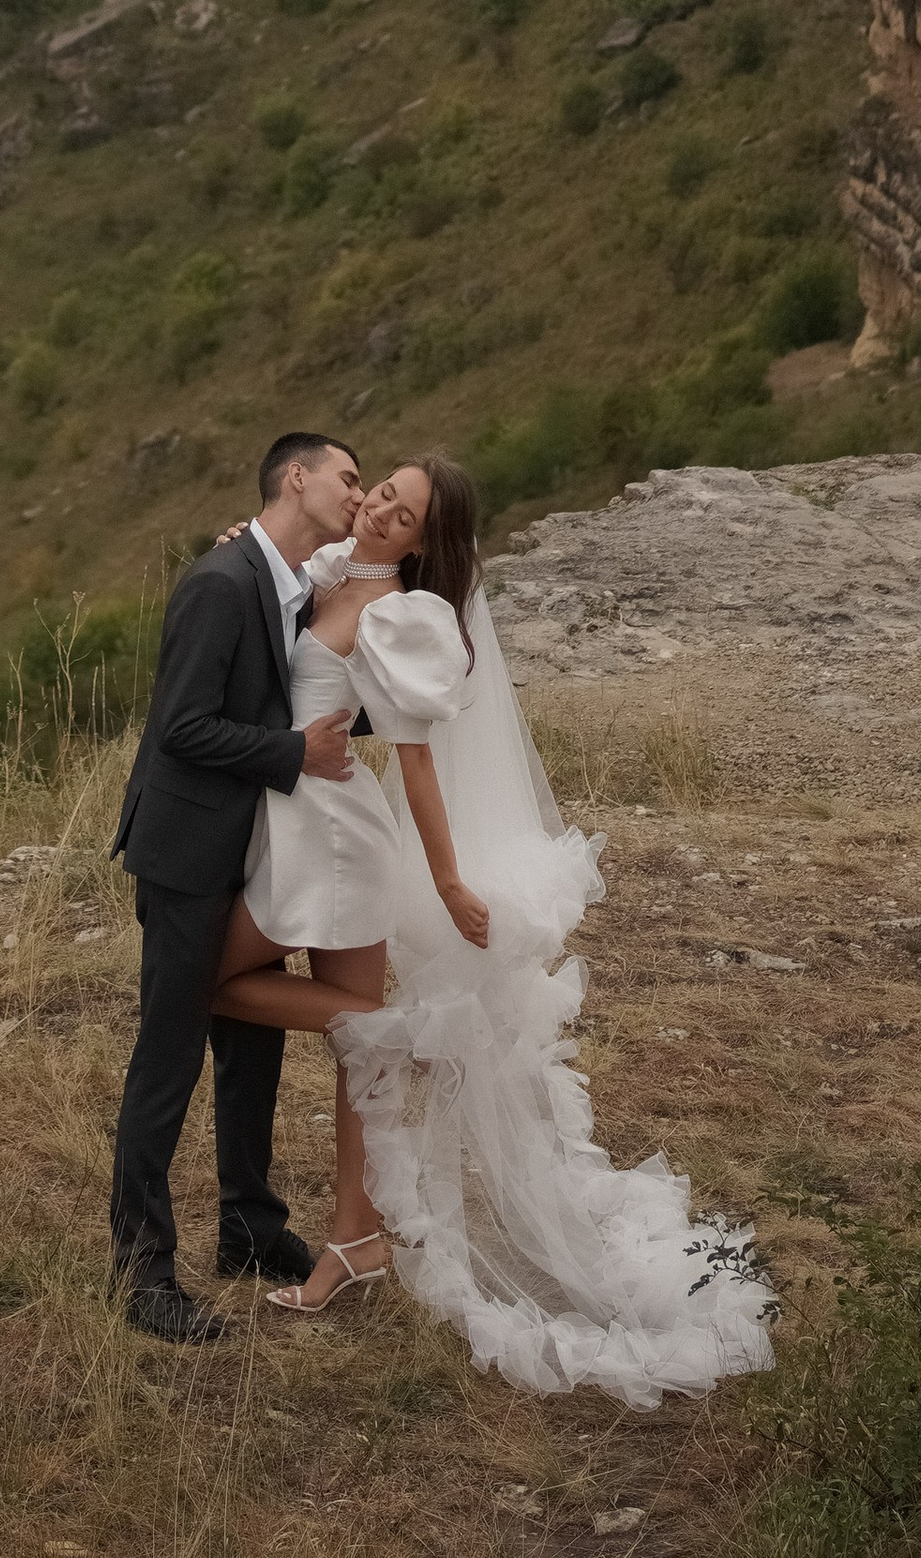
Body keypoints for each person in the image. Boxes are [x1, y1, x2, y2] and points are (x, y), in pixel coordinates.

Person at [209, 451, 776, 1401]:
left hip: (340, 843)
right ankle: (355, 1238)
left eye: (405, 510)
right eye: (382, 490)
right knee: (356, 1052)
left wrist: (450, 882)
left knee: (217, 983)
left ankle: (396, 1041)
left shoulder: (401, 615)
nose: (383, 507)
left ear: (428, 541)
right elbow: (273, 580)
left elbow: (420, 764)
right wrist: (243, 543)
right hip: (302, 827)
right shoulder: (334, 569)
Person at [107, 430, 362, 1342]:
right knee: (168, 1061)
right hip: (186, 859)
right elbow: (180, 729)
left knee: (251, 1050)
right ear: (296, 479)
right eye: (348, 477)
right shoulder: (220, 584)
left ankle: (250, 1229)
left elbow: (298, 692)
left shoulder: (284, 586)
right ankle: (140, 1279)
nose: (358, 493)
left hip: (253, 855)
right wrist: (296, 754)